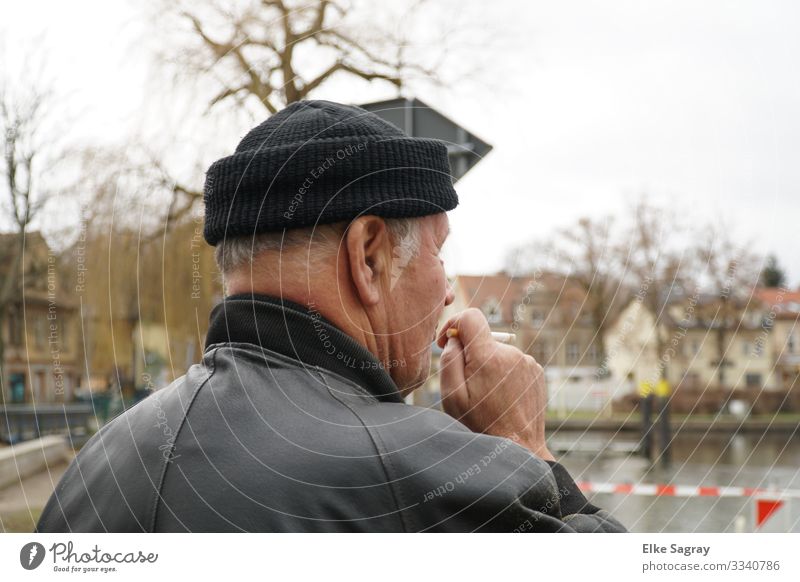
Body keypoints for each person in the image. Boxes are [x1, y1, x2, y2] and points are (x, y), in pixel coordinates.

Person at [37, 100, 626, 532]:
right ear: (368, 257)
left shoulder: (95, 468)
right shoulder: (427, 478)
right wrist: (524, 445)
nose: (448, 291)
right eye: (438, 253)